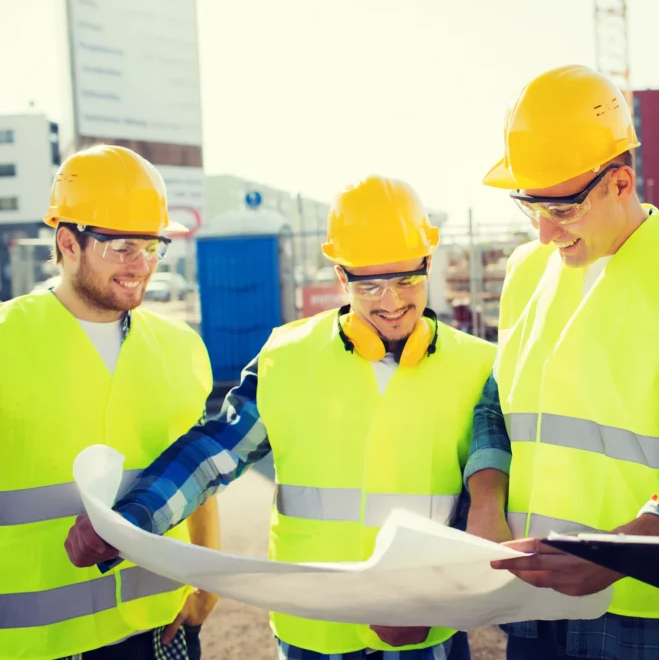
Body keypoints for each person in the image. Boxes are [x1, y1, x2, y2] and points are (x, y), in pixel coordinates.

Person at [65, 175, 497, 660]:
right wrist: (130, 521)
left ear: (428, 263)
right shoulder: (285, 357)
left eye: (406, 280)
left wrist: (438, 599)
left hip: (426, 635)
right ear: (340, 277)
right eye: (370, 284)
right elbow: (213, 454)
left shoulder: (480, 367)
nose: (392, 302)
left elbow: (489, 509)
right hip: (312, 633)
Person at [463, 64, 659, 659]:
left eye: (565, 208)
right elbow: (496, 407)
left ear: (620, 182)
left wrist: (623, 551)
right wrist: (485, 507)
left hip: (645, 610)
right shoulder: (526, 272)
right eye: (532, 207)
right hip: (533, 605)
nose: (547, 232)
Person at [0, 144, 220, 660]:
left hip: (159, 628)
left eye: (152, 247)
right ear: (67, 243)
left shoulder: (181, 345)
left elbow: (203, 476)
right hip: (35, 642)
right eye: (122, 246)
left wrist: (206, 581)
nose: (140, 265)